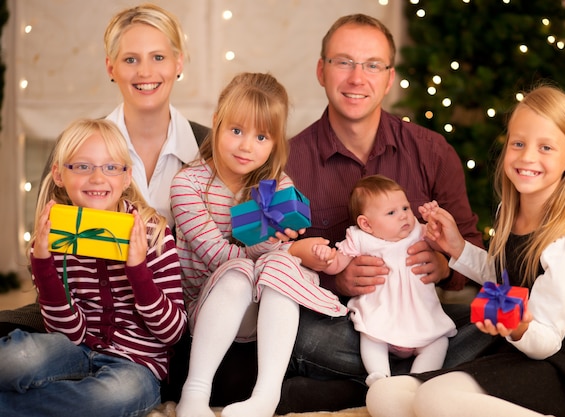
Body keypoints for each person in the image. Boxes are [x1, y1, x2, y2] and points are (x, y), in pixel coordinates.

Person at [0, 3, 218, 403]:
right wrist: (45, 266)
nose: (145, 72)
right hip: (79, 317)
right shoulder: (74, 152)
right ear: (110, 66)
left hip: (170, 328)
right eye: (130, 59)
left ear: (178, 63)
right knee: (19, 347)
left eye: (158, 57)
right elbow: (56, 280)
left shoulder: (214, 151)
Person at [279, 13, 489, 413]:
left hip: (420, 315)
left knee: (489, 326)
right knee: (301, 335)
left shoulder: (432, 152)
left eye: (372, 65)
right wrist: (335, 278)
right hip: (346, 324)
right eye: (343, 62)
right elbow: (272, 258)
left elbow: (472, 243)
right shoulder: (290, 162)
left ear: (389, 78)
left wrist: (444, 267)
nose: (358, 78)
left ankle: (353, 390)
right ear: (321, 71)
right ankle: (419, 384)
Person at [365, 85, 565, 417]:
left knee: (435, 399)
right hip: (510, 353)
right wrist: (457, 247)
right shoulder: (510, 215)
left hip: (555, 370)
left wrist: (518, 326)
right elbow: (500, 276)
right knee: (385, 395)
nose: (527, 157)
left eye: (546, 147)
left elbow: (546, 342)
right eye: (518, 143)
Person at [171, 72, 347, 417]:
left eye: (261, 136)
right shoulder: (187, 185)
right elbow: (217, 257)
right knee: (238, 270)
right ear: (216, 124)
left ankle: (266, 396)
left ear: (275, 143)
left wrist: (290, 249)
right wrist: (268, 243)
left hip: (264, 310)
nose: (246, 146)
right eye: (236, 130)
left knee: (280, 265)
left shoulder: (279, 187)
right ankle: (194, 394)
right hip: (207, 309)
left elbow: (277, 259)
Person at [0, 118, 187, 417]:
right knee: (17, 358)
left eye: (111, 167)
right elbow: (69, 334)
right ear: (59, 175)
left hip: (135, 365)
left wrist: (138, 270)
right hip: (74, 349)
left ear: (126, 177)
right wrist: (44, 264)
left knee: (111, 398)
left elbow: (173, 332)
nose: (98, 178)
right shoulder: (53, 238)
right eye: (83, 166)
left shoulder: (154, 233)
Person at [311, 175, 457, 387]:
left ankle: (417, 380)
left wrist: (435, 225)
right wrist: (326, 257)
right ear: (366, 224)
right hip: (380, 314)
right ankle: (379, 376)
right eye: (391, 212)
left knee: (439, 341)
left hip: (421, 315)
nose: (403, 217)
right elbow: (336, 266)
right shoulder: (360, 238)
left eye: (405, 208)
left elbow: (442, 244)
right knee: (370, 337)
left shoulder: (417, 229)